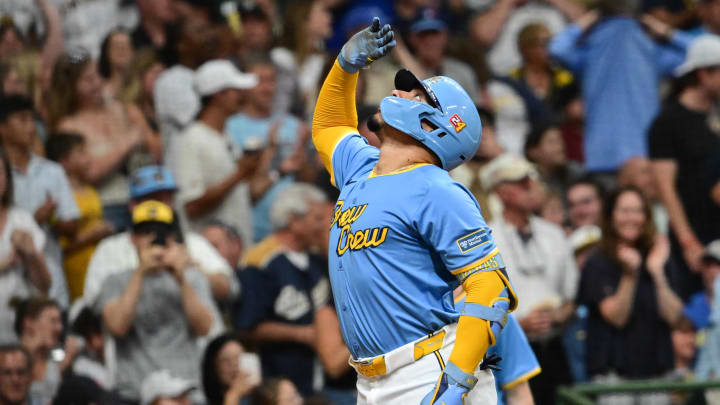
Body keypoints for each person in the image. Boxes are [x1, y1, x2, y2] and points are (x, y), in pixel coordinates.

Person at [312, 17, 517, 404]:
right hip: (371, 381)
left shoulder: (437, 189)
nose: (399, 91)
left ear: (433, 124)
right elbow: (329, 126)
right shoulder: (361, 167)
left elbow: (490, 287)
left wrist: (455, 383)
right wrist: (344, 68)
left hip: (430, 368)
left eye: (415, 95)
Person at [94, 201, 217, 403]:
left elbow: (204, 327)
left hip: (184, 393)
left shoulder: (192, 277)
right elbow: (117, 326)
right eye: (146, 232)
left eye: (160, 233)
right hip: (134, 394)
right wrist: (140, 272)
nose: (153, 239)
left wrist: (181, 278)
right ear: (132, 238)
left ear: (171, 238)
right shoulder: (115, 281)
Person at [549, 2, 692, 173]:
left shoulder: (598, 46)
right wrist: (665, 31)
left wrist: (587, 20)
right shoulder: (647, 46)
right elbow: (701, 52)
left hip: (609, 154)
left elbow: (557, 49)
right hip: (637, 155)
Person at [577, 187, 684, 405]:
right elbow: (616, 317)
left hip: (657, 374)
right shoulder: (597, 261)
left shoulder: (658, 256)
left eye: (638, 211)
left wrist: (657, 273)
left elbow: (674, 317)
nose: (631, 218)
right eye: (624, 211)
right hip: (614, 377)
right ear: (611, 215)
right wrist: (630, 275)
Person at [485, 154, 576, 404]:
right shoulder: (486, 239)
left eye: (530, 180)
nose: (529, 186)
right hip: (509, 349)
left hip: (555, 347)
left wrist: (559, 315)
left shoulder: (554, 234)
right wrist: (518, 325)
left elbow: (570, 298)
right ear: (500, 192)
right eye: (520, 182)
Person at [84, 164, 236, 308]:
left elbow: (230, 291)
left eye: (167, 199)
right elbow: (93, 302)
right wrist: (139, 275)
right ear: (133, 206)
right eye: (153, 199)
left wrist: (192, 268)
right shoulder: (109, 249)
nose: (161, 206)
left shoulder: (193, 243)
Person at [233, 184, 329, 396]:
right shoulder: (259, 261)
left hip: (321, 381)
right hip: (279, 383)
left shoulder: (317, 257)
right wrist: (302, 334)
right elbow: (248, 327)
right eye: (318, 218)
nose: (324, 226)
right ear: (294, 221)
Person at [49, 51, 161, 231]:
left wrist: (137, 120)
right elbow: (90, 172)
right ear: (71, 87)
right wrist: (127, 143)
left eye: (97, 75)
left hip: (145, 197)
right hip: (107, 206)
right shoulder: (68, 126)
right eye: (87, 80)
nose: (97, 84)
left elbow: (156, 150)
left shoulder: (122, 108)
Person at [649, 35, 720, 277]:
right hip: (695, 236)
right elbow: (665, 189)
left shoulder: (717, 115)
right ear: (703, 74)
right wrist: (688, 242)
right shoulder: (667, 122)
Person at [0, 95, 79, 309]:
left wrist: (50, 218)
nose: (31, 127)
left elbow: (72, 226)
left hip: (50, 278)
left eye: (32, 120)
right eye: (22, 120)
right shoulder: (3, 176)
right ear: (3, 127)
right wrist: (34, 219)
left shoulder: (52, 171)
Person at [171, 59, 260, 244]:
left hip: (238, 251)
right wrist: (239, 174)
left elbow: (240, 196)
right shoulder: (190, 140)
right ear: (219, 95)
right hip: (209, 258)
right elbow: (191, 206)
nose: (243, 96)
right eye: (236, 90)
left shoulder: (226, 136)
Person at [225, 55, 311, 241]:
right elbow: (239, 182)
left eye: (271, 81)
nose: (267, 88)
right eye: (259, 81)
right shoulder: (230, 127)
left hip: (292, 231)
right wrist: (268, 152)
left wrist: (302, 150)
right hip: (251, 226)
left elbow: (307, 179)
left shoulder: (294, 125)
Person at [45, 133, 115, 301]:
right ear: (64, 161)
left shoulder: (90, 190)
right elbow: (59, 245)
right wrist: (92, 235)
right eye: (81, 153)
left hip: (101, 261)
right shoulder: (57, 197)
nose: (88, 158)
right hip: (76, 268)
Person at [0, 148, 49, 344]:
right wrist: (4, 264)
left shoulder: (21, 220)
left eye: (1, 171)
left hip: (18, 327)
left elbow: (45, 285)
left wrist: (31, 255)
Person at [12, 297, 76, 405]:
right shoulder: (7, 361)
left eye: (60, 321)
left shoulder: (56, 354)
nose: (60, 328)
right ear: (29, 323)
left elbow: (76, 345)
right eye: (53, 321)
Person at [407, 9, 480, 103]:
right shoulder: (401, 75)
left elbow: (477, 111)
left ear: (446, 36)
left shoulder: (462, 72)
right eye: (423, 35)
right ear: (412, 39)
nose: (429, 41)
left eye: (434, 33)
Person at [201, 334, 259, 405]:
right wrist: (234, 394)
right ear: (214, 368)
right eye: (225, 360)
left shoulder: (261, 398)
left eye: (238, 358)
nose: (234, 364)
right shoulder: (201, 402)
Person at [98, 29, 135, 101]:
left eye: (125, 46)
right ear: (107, 52)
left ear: (133, 52)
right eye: (116, 45)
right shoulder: (99, 89)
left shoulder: (141, 87)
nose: (121, 49)